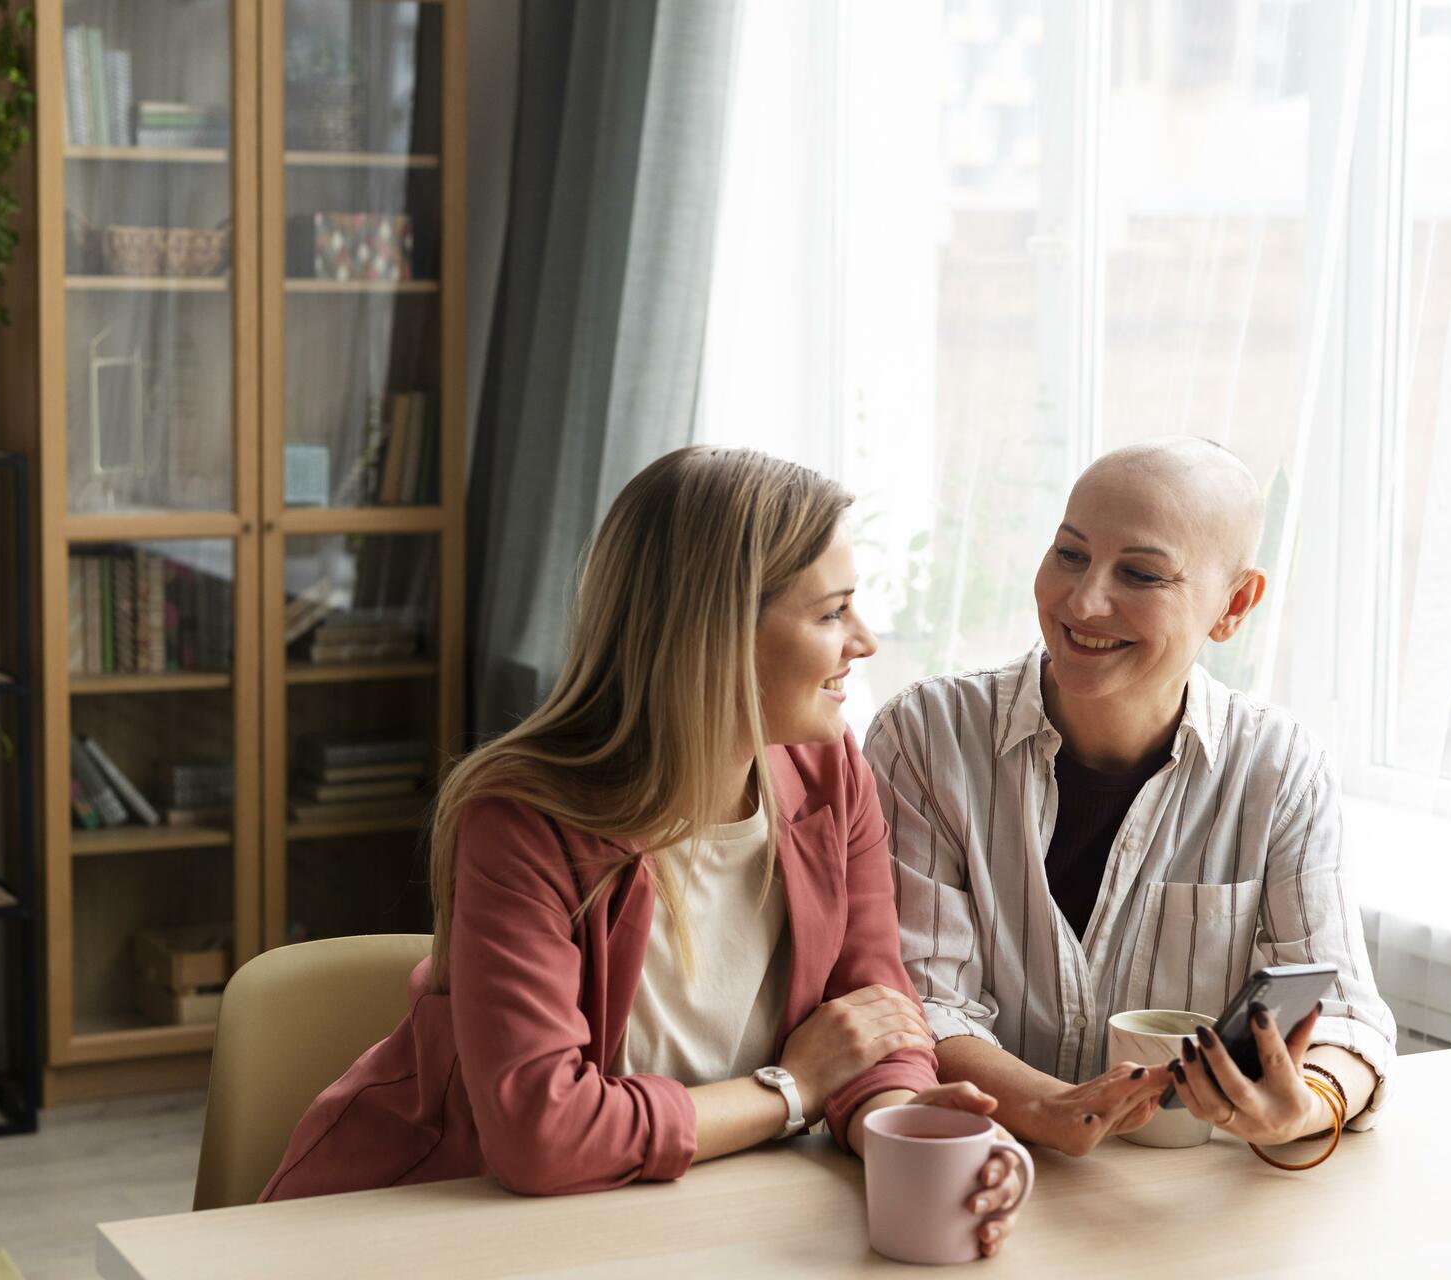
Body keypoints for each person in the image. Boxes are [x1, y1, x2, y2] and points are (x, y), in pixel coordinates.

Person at [263, 447, 1027, 1256]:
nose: (864, 641)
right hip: (426, 1227)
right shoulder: (522, 820)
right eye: (832, 613)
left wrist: (905, 1131)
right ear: (718, 633)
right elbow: (541, 1134)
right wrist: (792, 1088)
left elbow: (874, 1018)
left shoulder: (833, 774)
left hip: (680, 1221)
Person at [865, 436, 1395, 1160]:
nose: (1082, 601)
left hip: (1180, 1202)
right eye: (1070, 555)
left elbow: (1347, 1017)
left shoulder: (1280, 766)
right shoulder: (926, 736)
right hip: (984, 1168)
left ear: (1234, 605)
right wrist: (1053, 1108)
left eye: (1141, 574)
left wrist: (1304, 1107)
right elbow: (918, 1003)